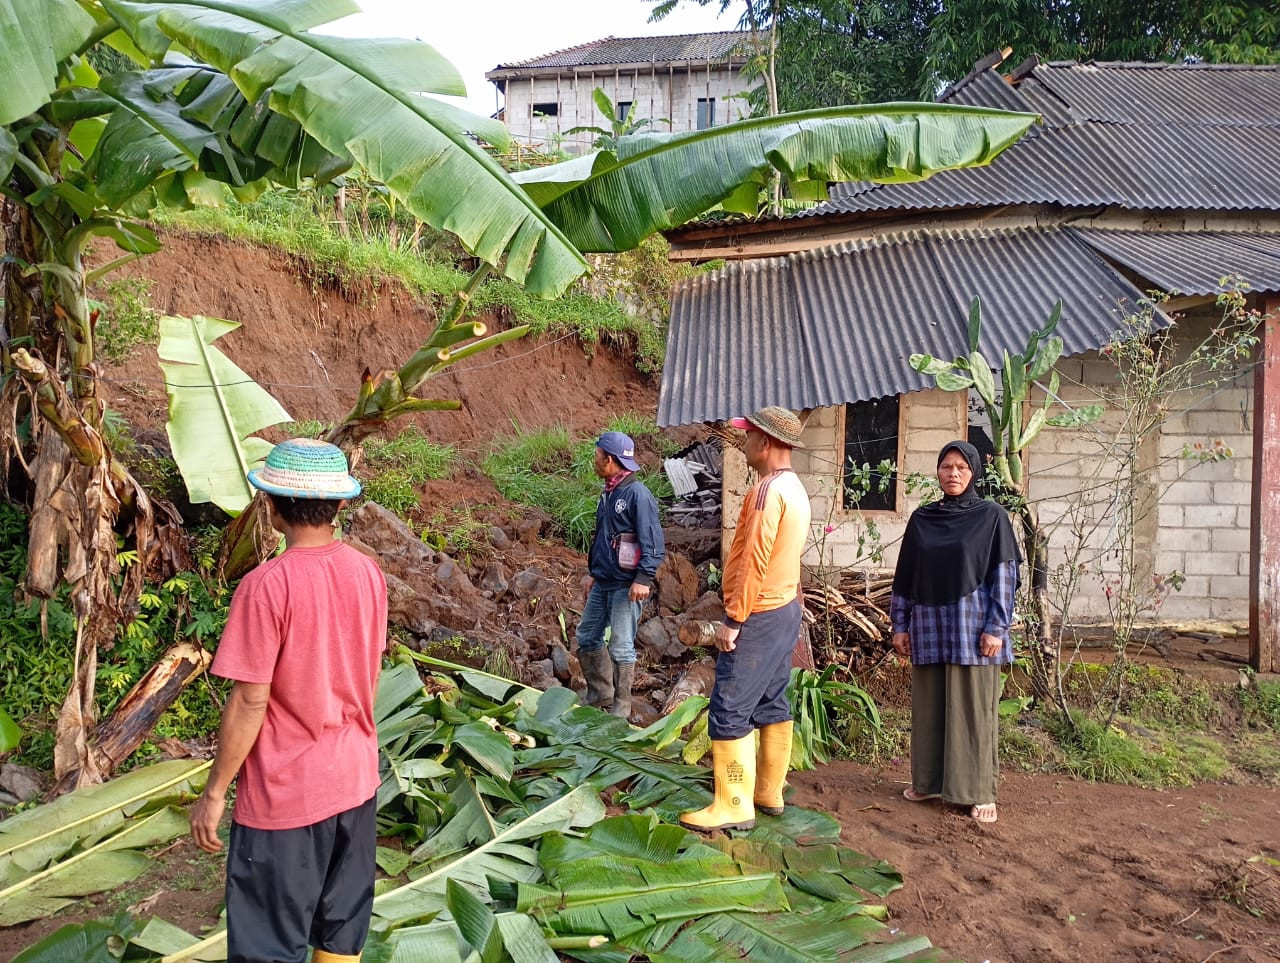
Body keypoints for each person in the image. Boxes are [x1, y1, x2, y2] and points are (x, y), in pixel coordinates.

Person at [188, 438, 388, 963]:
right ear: (340, 505)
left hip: (286, 798)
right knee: (340, 932)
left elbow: (250, 702)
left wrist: (214, 792)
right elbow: (369, 673)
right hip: (355, 781)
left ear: (271, 507)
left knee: (269, 945)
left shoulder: (265, 587)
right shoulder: (367, 573)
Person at [681, 407, 811, 833]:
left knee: (730, 707)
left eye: (749, 436)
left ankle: (733, 802)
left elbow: (753, 562)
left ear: (766, 443)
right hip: (786, 608)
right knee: (773, 701)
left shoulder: (765, 492)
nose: (745, 442)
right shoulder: (795, 488)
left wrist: (733, 619)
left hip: (758, 612)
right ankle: (769, 790)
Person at [890, 439, 1020, 825]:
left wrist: (997, 627)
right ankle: (928, 781)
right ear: (938, 471)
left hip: (973, 629)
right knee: (929, 707)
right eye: (947, 466)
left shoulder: (991, 517)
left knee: (972, 710)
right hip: (929, 625)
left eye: (962, 467)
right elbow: (906, 576)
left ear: (974, 472)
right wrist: (900, 624)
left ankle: (978, 791)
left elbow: (1005, 576)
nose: (953, 474)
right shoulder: (923, 519)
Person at [577, 430, 666, 718]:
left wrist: (643, 578)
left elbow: (652, 540)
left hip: (626, 585)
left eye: (597, 456)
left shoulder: (636, 494)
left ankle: (622, 705)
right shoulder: (610, 492)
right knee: (588, 635)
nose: (594, 461)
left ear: (610, 460)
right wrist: (594, 572)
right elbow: (604, 538)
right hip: (604, 580)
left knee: (621, 645)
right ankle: (600, 694)